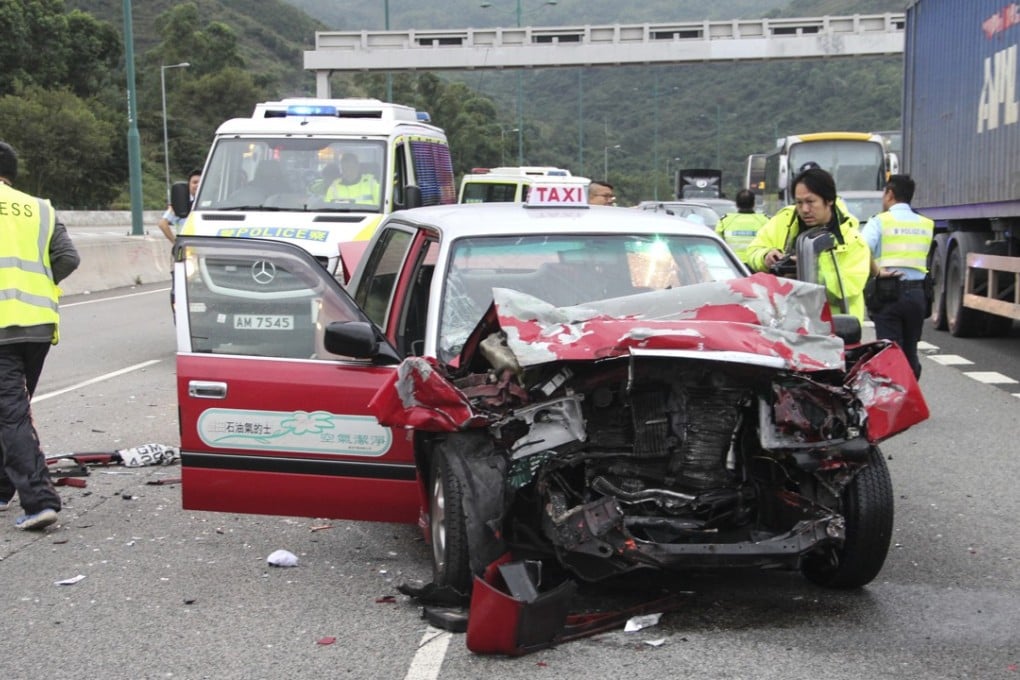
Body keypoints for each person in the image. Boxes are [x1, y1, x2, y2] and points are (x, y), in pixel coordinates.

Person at [0, 140, 80, 530]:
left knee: (10, 415)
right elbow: (68, 258)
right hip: (35, 325)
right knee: (10, 411)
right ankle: (2, 489)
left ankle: (39, 501)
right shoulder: (38, 208)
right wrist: (42, 287)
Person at [745, 166, 871, 321]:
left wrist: (809, 268)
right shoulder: (783, 221)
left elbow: (846, 289)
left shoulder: (852, 240)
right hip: (785, 325)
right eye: (799, 202)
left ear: (829, 200)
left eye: (811, 202)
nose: (804, 209)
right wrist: (765, 257)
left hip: (833, 330)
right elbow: (752, 251)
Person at [861, 174, 934, 379]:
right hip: (918, 294)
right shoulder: (926, 224)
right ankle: (910, 401)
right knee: (910, 351)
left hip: (888, 293)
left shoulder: (880, 222)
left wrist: (877, 272)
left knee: (889, 351)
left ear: (890, 194)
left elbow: (861, 249)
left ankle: (895, 402)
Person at [715, 189, 767, 264]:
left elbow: (718, 244)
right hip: (757, 265)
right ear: (754, 204)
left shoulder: (724, 221)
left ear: (736, 204)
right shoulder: (765, 220)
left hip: (733, 264)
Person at [157, 169, 201, 243]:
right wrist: (175, 243)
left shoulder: (212, 203)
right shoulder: (180, 203)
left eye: (201, 182)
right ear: (188, 185)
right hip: (186, 247)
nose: (198, 185)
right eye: (194, 182)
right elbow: (162, 224)